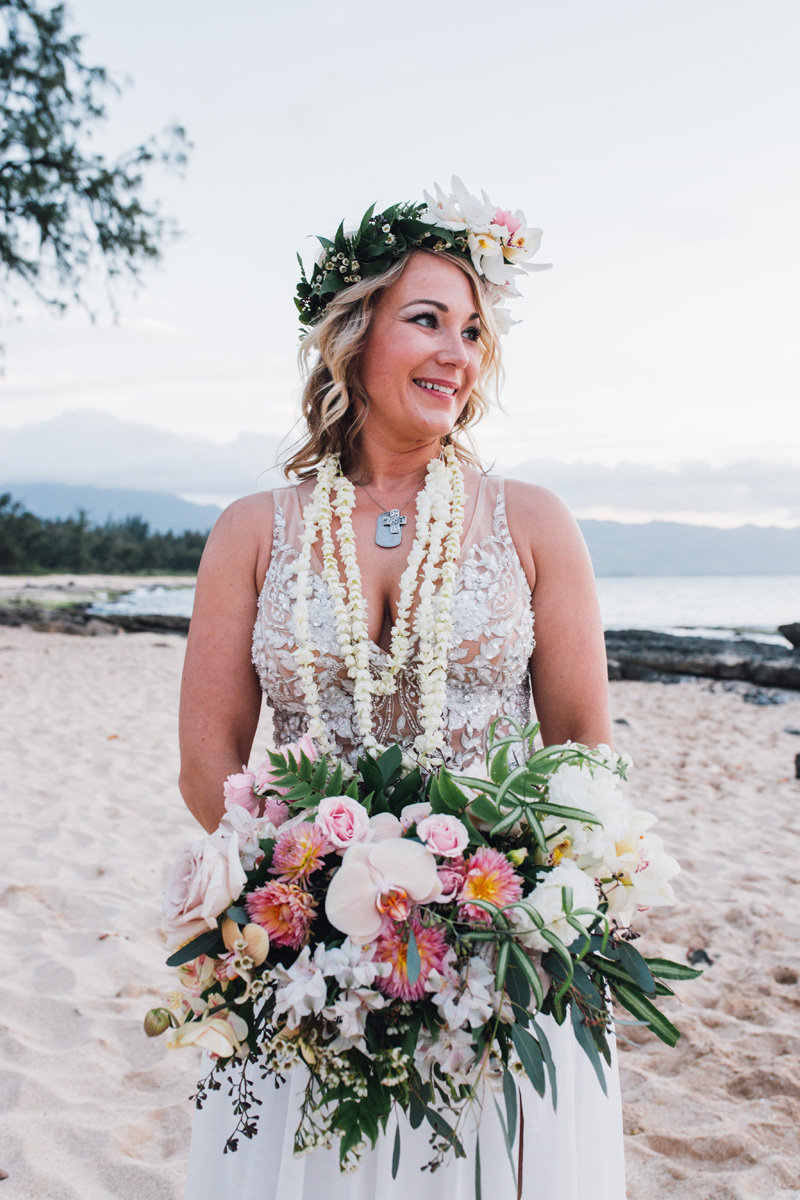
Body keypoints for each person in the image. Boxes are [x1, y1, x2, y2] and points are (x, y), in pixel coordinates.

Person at [178, 179, 627, 1199]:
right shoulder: (252, 531)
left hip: (493, 954)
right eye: (425, 318)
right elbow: (208, 758)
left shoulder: (533, 521)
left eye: (472, 331)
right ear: (352, 334)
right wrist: (300, 897)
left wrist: (494, 902)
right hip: (303, 951)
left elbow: (580, 752)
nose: (455, 352)